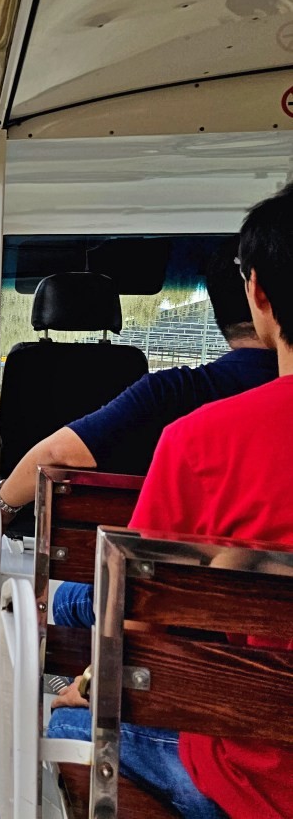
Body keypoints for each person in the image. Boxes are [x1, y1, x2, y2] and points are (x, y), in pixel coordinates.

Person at [49, 183, 293, 819]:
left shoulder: (202, 439)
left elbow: (137, 629)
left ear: (259, 295)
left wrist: (77, 689)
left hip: (254, 780)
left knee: (70, 727)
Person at [0, 237, 275, 537]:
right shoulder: (136, 370)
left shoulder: (170, 392)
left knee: (68, 593)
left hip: (148, 566)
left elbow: (59, 453)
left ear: (251, 294)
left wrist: (1, 503)